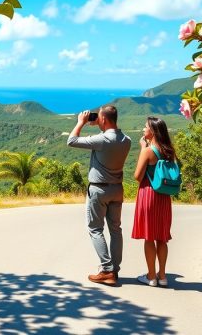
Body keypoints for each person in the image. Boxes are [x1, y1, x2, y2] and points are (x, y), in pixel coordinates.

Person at [67, 105, 131, 286]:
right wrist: (98, 125)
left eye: (99, 118)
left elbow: (71, 141)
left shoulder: (102, 140)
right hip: (117, 189)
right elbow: (109, 134)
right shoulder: (126, 140)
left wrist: (80, 123)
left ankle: (106, 270)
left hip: (99, 189)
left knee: (95, 229)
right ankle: (115, 270)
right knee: (116, 230)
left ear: (103, 119)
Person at [131, 117, 176, 287]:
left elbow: (137, 176)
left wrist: (143, 148)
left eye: (145, 127)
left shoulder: (148, 151)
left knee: (149, 237)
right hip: (164, 196)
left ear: (153, 131)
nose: (143, 130)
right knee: (162, 238)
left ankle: (151, 276)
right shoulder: (169, 150)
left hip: (149, 195)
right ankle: (162, 276)